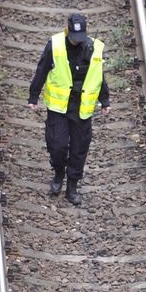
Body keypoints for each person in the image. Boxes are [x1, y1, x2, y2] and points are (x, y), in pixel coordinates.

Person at [28, 13, 109, 206]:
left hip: (82, 107)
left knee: (80, 148)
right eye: (74, 38)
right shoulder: (55, 45)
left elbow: (99, 75)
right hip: (58, 107)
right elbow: (42, 69)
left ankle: (72, 186)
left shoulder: (94, 47)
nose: (77, 42)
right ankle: (58, 173)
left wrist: (105, 100)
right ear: (67, 30)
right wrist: (34, 95)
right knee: (57, 145)